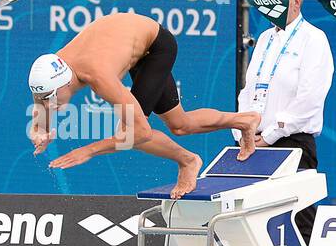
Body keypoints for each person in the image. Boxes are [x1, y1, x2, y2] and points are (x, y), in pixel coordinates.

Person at [27, 14, 260, 198]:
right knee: (180, 124)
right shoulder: (51, 70)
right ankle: (245, 120)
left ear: (67, 82)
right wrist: (39, 129)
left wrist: (87, 151)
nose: (50, 104)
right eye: (45, 98)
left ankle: (188, 160)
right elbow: (40, 105)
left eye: (53, 97)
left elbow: (140, 132)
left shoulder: (99, 77)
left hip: (156, 45)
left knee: (129, 134)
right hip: (127, 39)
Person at [236, 0, 334, 242]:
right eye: (266, 1)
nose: (270, 7)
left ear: (296, 2)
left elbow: (309, 99)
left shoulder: (314, 39)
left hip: (292, 144)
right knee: (251, 220)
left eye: (276, 1)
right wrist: (243, 132)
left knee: (296, 222)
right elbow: (249, 90)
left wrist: (269, 137)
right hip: (252, 143)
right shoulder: (265, 39)